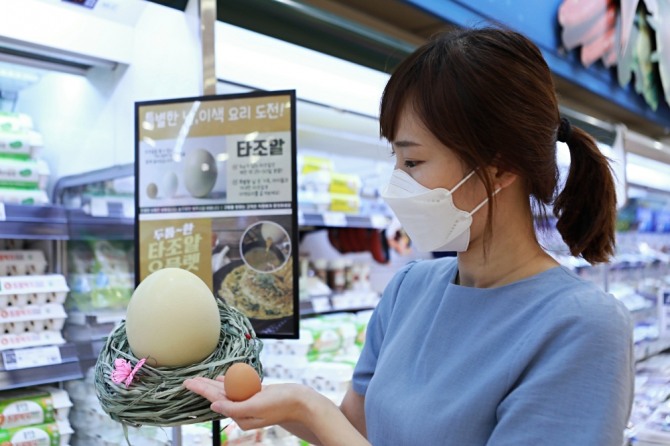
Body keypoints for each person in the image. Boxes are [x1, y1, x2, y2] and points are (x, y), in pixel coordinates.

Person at [185, 26, 634, 446]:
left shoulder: (582, 328)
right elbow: (356, 432)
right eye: (397, 161)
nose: (396, 184)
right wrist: (284, 407)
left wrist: (309, 406)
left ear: (500, 168)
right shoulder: (409, 290)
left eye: (413, 162)